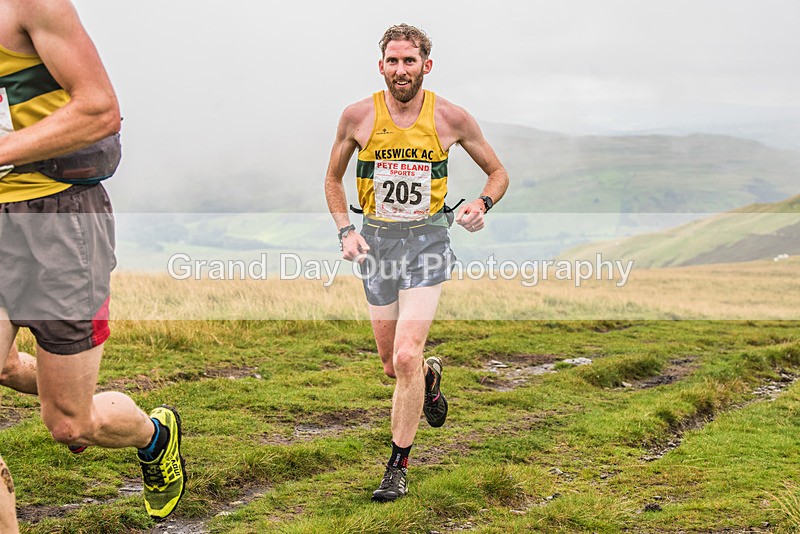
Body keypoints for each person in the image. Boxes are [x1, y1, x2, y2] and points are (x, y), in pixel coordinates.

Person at [0, 0, 185, 528]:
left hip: (56, 220)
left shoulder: (29, 5)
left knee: (69, 423)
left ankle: (154, 435)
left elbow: (100, 108)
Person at [324, 23, 509, 501]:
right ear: (381, 65)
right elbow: (332, 180)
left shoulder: (450, 118)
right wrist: (346, 231)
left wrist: (480, 206)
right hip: (376, 244)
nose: (401, 70)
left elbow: (497, 173)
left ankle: (397, 466)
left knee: (407, 353)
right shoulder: (357, 116)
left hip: (427, 241)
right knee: (393, 365)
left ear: (426, 65)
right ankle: (428, 379)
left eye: (410, 61)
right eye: (393, 61)